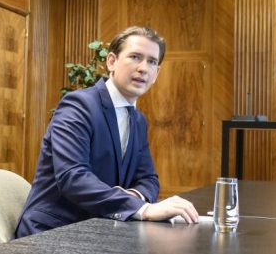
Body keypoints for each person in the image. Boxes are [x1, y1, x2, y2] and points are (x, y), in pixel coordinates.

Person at [15, 26, 199, 238]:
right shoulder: (78, 105)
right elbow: (73, 177)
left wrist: (132, 196)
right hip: (53, 232)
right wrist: (143, 209)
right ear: (111, 61)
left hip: (101, 230)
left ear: (157, 74)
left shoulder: (138, 120)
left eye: (151, 62)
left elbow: (149, 179)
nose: (143, 68)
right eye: (135, 57)